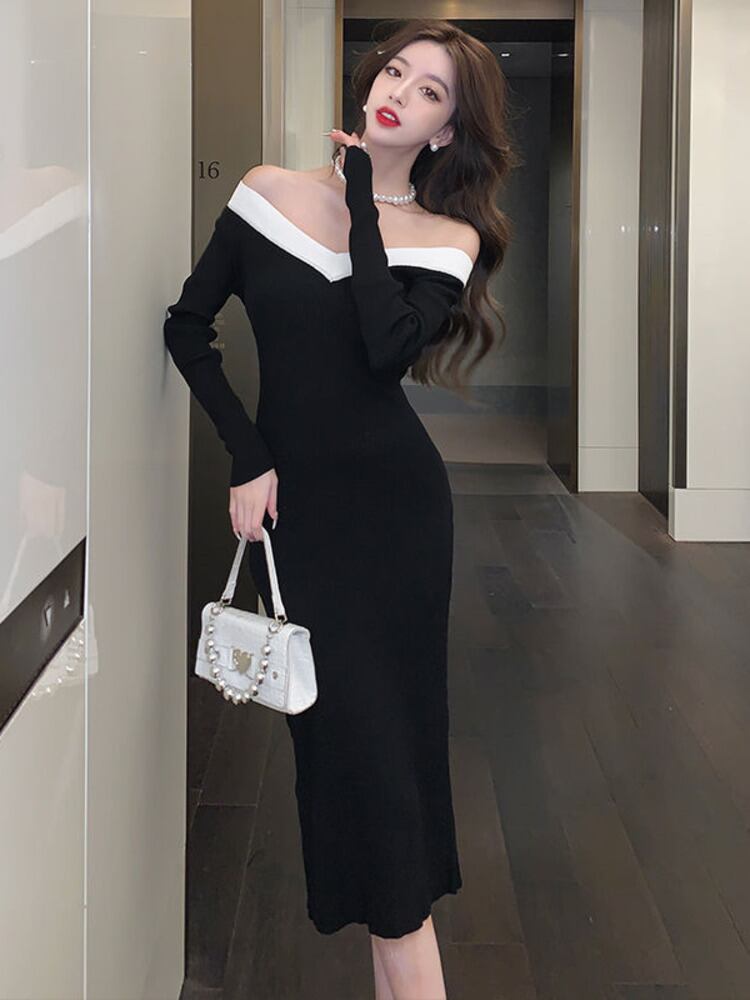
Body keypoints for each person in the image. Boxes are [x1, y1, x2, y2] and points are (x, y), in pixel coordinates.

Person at [164, 17, 515, 999]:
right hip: (303, 518)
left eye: (431, 91)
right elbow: (188, 327)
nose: (399, 90)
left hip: (396, 519)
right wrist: (248, 454)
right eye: (395, 69)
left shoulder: (448, 238)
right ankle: (397, 928)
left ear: (448, 130)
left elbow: (382, 349)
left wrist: (363, 196)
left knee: (389, 750)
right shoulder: (268, 192)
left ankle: (404, 931)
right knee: (339, 751)